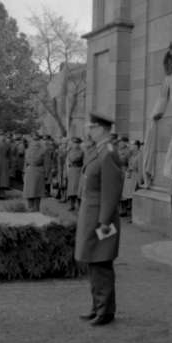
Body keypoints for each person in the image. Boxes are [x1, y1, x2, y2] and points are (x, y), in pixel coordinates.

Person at [75, 112, 124, 327]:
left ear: (102, 129)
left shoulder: (108, 153)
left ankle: (105, 311)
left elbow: (111, 192)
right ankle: (97, 306)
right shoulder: (99, 151)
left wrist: (104, 222)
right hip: (91, 215)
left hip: (101, 219)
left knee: (101, 263)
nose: (89, 131)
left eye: (92, 127)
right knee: (93, 263)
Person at [23, 133, 46, 212]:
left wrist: (24, 172)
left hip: (29, 170)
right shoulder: (43, 150)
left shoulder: (28, 150)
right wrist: (46, 173)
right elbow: (46, 163)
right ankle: (37, 208)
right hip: (39, 170)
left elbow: (25, 162)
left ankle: (30, 207)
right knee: (38, 191)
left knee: (29, 190)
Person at [66, 137, 84, 211]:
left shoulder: (81, 151)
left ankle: (79, 205)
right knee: (71, 189)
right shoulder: (70, 151)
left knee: (78, 189)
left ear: (79, 144)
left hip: (78, 170)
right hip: (72, 170)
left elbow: (74, 159)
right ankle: (72, 205)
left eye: (77, 143)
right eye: (74, 143)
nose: (75, 145)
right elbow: (68, 160)